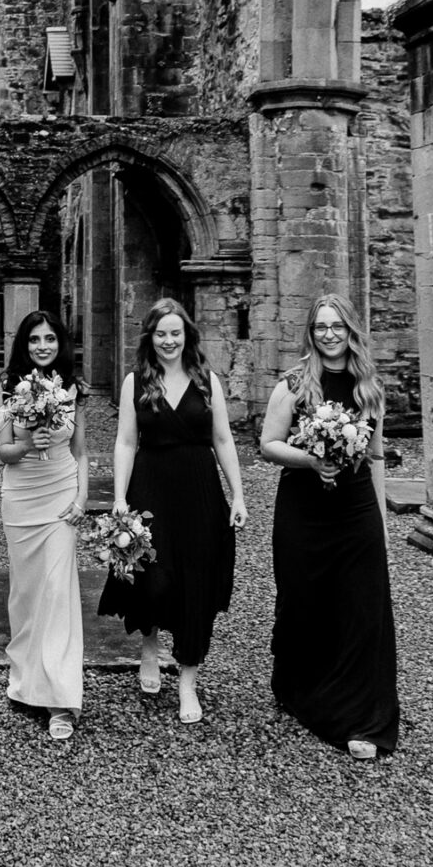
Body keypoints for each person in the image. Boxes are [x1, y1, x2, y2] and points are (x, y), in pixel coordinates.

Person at [260, 291, 399, 759]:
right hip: (305, 510)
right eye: (320, 326)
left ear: (351, 330)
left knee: (363, 609)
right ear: (311, 332)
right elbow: (268, 444)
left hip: (355, 510)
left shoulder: (369, 388)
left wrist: (379, 526)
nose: (329, 334)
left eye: (337, 326)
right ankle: (301, 688)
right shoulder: (295, 384)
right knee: (306, 601)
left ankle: (363, 717)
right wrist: (310, 459)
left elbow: (376, 457)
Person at [100, 298, 247, 724]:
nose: (168, 341)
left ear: (187, 336)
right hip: (151, 489)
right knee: (154, 579)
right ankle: (149, 644)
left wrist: (237, 495)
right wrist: (120, 497)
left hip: (199, 490)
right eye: (161, 333)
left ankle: (188, 681)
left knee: (196, 585)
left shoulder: (207, 380)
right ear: (151, 337)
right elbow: (126, 442)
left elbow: (223, 440)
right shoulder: (136, 381)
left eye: (175, 333)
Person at [0, 309, 88, 743]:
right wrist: (31, 441)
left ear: (60, 343)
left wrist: (82, 499)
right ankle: (27, 677)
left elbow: (83, 451)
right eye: (35, 340)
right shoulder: (10, 388)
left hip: (60, 498)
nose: (43, 346)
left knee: (58, 592)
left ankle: (60, 698)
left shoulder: (73, 389)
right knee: (27, 593)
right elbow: (5, 453)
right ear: (24, 345)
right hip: (21, 498)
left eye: (50, 338)